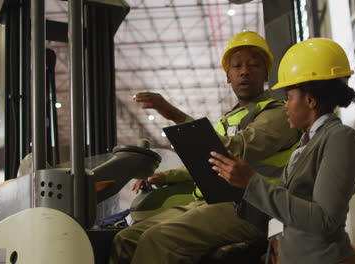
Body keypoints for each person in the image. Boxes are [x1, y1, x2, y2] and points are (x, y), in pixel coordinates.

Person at [109, 31, 301, 264]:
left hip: (251, 207)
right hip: (211, 202)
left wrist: (175, 115)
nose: (244, 71)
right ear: (228, 76)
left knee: (157, 239)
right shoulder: (227, 120)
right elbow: (209, 163)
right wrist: (164, 176)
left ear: (266, 73)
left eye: (254, 65)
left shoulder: (277, 114)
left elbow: (235, 150)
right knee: (127, 237)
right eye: (237, 66)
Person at [209, 38, 355, 264]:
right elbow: (283, 211)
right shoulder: (302, 148)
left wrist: (252, 183)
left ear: (310, 100)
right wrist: (273, 237)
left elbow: (325, 221)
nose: (285, 105)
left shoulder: (340, 139)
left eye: (289, 97)